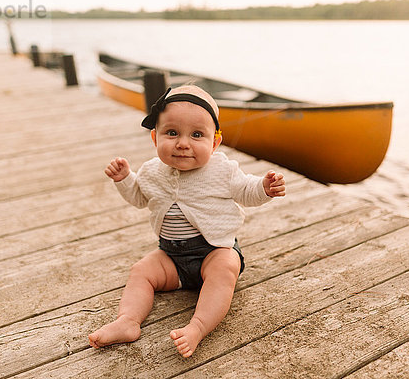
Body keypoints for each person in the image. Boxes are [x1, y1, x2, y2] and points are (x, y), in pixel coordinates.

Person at [89, 85, 286, 358]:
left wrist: (264, 188)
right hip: (171, 256)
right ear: (154, 137)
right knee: (141, 271)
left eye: (196, 135)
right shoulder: (151, 171)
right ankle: (128, 321)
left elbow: (246, 190)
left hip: (212, 251)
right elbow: (138, 198)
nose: (183, 143)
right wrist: (125, 179)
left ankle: (198, 326)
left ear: (214, 142)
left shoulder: (222, 169)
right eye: (172, 133)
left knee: (226, 267)